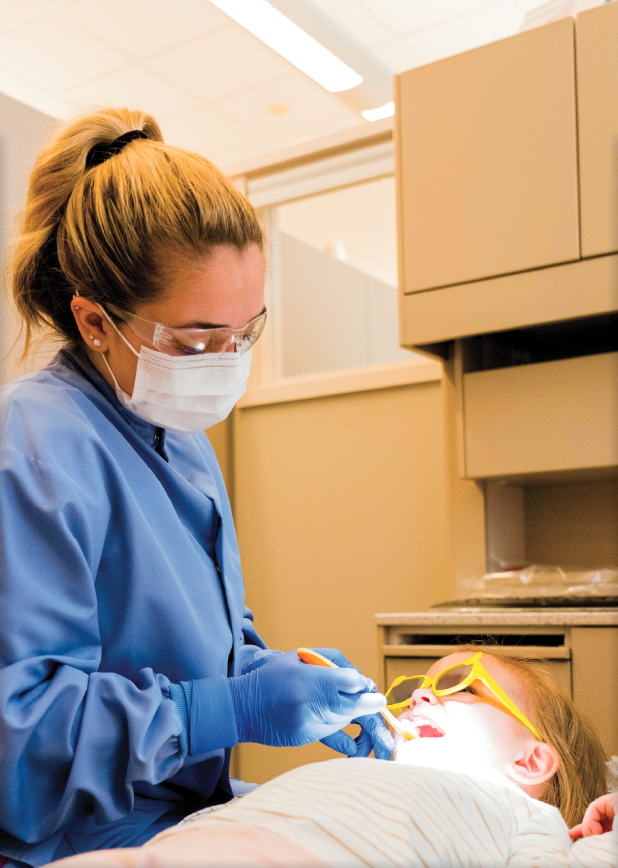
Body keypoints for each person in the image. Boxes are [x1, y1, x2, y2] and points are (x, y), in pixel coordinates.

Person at [0, 107, 393, 867]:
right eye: (196, 342)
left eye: (246, 334)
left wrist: (267, 671)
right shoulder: (34, 446)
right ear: (94, 322)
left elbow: (194, 642)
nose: (227, 362)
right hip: (73, 844)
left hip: (182, 819)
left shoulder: (181, 441)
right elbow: (21, 744)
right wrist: (228, 707)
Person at [43, 648, 615, 868]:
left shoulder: (523, 819)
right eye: (420, 685)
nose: (419, 696)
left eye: (459, 687)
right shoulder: (348, 779)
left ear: (531, 763)